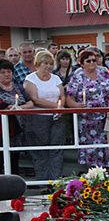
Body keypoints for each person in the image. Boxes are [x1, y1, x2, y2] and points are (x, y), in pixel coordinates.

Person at [66, 50, 109, 169]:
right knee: (90, 151)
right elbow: (69, 98)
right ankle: (93, 177)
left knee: (107, 149)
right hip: (87, 121)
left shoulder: (104, 73)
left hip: (105, 119)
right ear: (82, 63)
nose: (92, 63)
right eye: (88, 61)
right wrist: (77, 106)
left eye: (94, 60)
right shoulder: (77, 76)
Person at [24, 51, 66, 193]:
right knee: (40, 151)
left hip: (57, 118)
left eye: (50, 64)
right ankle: (42, 182)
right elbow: (34, 99)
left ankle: (56, 181)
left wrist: (61, 109)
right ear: (38, 64)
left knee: (56, 149)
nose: (48, 66)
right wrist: (55, 106)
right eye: (45, 63)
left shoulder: (56, 78)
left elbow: (62, 95)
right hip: (38, 118)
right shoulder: (31, 79)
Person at [0, 59, 33, 175]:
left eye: (9, 72)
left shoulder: (19, 88)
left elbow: (30, 103)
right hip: (2, 129)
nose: (6, 75)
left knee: (14, 158)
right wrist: (8, 107)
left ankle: (13, 186)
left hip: (18, 129)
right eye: (3, 72)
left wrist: (19, 108)